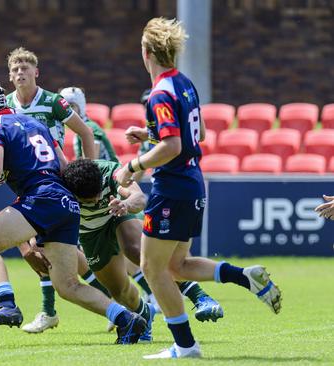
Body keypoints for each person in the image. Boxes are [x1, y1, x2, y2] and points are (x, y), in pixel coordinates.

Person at [114, 17, 282, 359]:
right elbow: (199, 134)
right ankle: (245, 277)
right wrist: (150, 135)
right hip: (192, 184)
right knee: (177, 266)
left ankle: (186, 346)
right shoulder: (185, 83)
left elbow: (174, 146)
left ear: (145, 53)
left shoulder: (159, 93)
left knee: (151, 268)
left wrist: (133, 166)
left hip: (171, 188)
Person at [0, 83, 147, 344]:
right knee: (68, 286)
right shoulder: (37, 125)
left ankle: (6, 304)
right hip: (65, 201)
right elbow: (63, 166)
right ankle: (126, 319)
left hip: (41, 198)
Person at [60, 88, 223, 328]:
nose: (95, 200)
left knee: (137, 250)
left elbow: (140, 198)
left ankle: (198, 295)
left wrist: (125, 204)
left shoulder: (109, 172)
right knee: (119, 290)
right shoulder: (63, 190)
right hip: (92, 229)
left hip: (120, 209)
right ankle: (142, 313)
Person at [5, 47, 102, 333]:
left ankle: (50, 312)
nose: (20, 72)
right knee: (48, 250)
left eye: (26, 68)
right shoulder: (7, 105)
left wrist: (88, 172)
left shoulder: (52, 102)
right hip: (25, 181)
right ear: (10, 76)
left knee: (35, 246)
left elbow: (85, 132)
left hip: (53, 180)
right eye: (15, 69)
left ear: (37, 72)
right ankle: (110, 300)